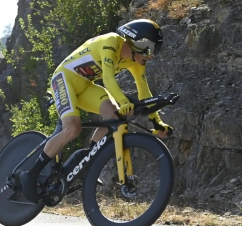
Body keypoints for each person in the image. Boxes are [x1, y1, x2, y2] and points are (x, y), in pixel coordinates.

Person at [20, 19, 173, 203]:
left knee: (114, 117)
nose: (150, 56)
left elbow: (144, 92)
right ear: (137, 42)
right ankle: (30, 174)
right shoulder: (112, 42)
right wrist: (124, 101)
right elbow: (108, 79)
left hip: (85, 86)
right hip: (64, 79)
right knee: (73, 128)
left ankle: (85, 160)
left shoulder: (136, 61)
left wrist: (157, 122)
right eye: (149, 50)